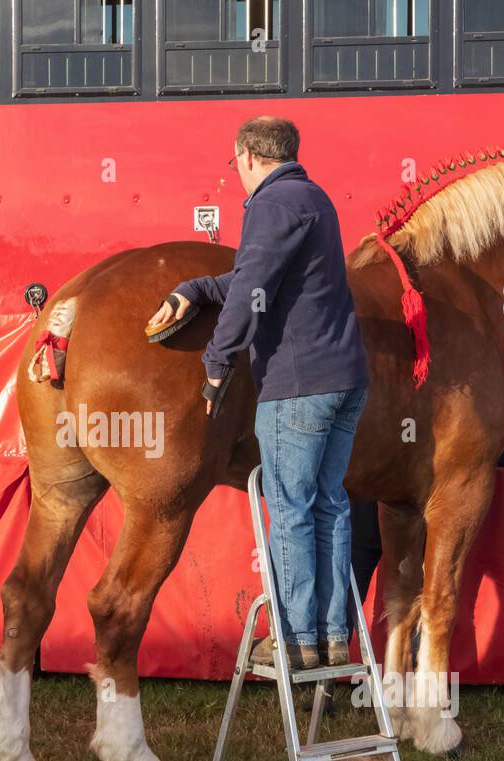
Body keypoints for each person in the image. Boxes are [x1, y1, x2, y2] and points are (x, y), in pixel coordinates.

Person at [148, 116, 369, 670]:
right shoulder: (313, 197)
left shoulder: (270, 204)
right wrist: (197, 288)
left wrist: (217, 364)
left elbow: (249, 289)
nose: (237, 172)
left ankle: (294, 640)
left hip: (298, 386)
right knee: (330, 504)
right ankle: (333, 635)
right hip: (345, 382)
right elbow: (258, 276)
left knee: (292, 507)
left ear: (247, 156)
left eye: (235, 163)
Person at [349, 439, 504, 619]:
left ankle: (333, 645)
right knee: (410, 597)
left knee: (352, 591)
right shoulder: (422, 405)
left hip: (372, 509)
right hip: (403, 517)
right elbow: (462, 446)